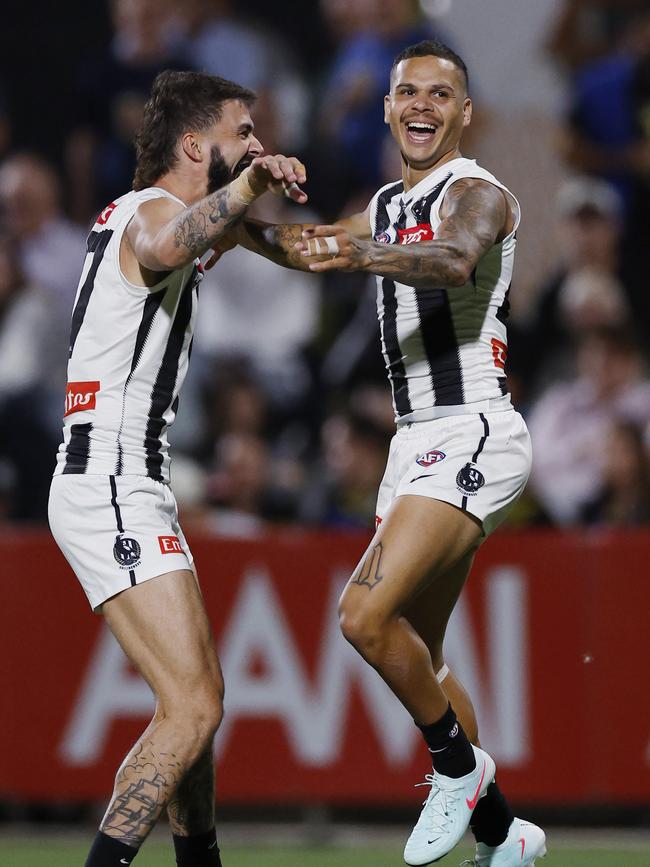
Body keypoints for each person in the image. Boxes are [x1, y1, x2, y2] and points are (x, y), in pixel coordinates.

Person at [225, 40, 546, 867]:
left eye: (443, 93)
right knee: (424, 655)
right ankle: (502, 836)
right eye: (409, 90)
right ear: (386, 105)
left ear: (465, 113)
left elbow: (451, 261)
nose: (423, 104)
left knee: (362, 615)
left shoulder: (475, 192)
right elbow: (312, 247)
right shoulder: (383, 201)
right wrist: (231, 220)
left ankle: (452, 771)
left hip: (470, 427)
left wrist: (361, 250)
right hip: (416, 444)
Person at [48, 69, 307, 867]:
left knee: (196, 703)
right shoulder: (154, 215)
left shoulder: (153, 213)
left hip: (130, 481)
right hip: (111, 478)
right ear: (196, 146)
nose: (256, 145)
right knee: (193, 704)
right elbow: (170, 242)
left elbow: (216, 239)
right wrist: (257, 183)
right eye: (242, 133)